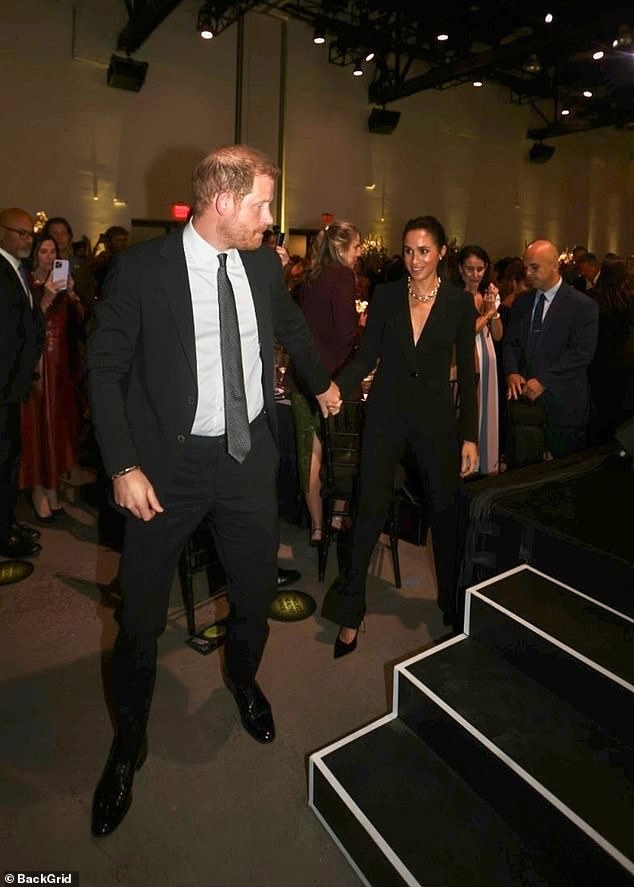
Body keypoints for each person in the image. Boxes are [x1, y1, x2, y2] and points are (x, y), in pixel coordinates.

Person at [86, 143, 341, 838]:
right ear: (223, 202)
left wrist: (321, 382)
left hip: (247, 458)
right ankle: (128, 743)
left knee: (255, 593)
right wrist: (122, 464)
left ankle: (242, 679)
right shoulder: (141, 271)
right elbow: (103, 370)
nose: (271, 218)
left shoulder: (261, 261)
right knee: (139, 617)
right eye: (261, 204)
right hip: (165, 470)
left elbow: (287, 326)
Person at [321, 215, 479, 656]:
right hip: (386, 416)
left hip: (435, 423)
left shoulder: (458, 304)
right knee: (367, 511)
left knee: (445, 519)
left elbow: (468, 373)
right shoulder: (387, 295)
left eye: (424, 251)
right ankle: (350, 614)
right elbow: (366, 355)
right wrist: (336, 387)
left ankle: (452, 610)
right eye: (408, 251)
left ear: (442, 252)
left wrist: (470, 436)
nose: (414, 260)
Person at [288, 220, 361, 545]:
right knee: (344, 452)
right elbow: (345, 335)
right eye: (357, 247)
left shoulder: (310, 277)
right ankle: (335, 518)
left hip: (302, 376)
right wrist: (363, 330)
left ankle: (316, 527)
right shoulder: (343, 277)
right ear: (344, 248)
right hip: (334, 379)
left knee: (310, 454)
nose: (359, 254)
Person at [504, 239, 599, 460]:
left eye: (534, 267)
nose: (528, 273)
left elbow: (581, 353)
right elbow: (511, 343)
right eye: (526, 267)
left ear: (555, 266)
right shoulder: (522, 302)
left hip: (564, 407)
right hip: (526, 409)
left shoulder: (582, 305)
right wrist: (512, 372)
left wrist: (544, 380)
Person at [19, 234, 84, 521]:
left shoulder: (62, 281)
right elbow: (25, 326)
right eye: (43, 251)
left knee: (59, 426)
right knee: (38, 426)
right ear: (35, 254)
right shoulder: (26, 283)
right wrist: (46, 295)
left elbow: (80, 320)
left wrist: (70, 295)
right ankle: (37, 489)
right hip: (38, 361)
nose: (48, 256)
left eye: (53, 251)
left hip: (61, 363)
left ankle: (53, 486)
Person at [0, 207, 43, 559]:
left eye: (31, 234)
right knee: (3, 461)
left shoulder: (18, 270)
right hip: (2, 388)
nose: (28, 239)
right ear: (1, 233)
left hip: (12, 387)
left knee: (10, 459)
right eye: (21, 233)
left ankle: (6, 524)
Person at [457, 245, 503, 474]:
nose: (475, 274)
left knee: (488, 408)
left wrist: (493, 311)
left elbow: (497, 334)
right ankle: (467, 464)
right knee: (470, 408)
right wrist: (486, 313)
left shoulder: (488, 294)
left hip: (488, 356)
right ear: (460, 270)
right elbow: (466, 332)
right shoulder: (456, 297)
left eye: (480, 269)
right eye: (470, 269)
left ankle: (487, 464)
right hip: (468, 356)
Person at [587, 256, 634, 443]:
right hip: (622, 364)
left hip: (596, 362)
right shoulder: (627, 301)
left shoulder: (591, 299)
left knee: (599, 410)